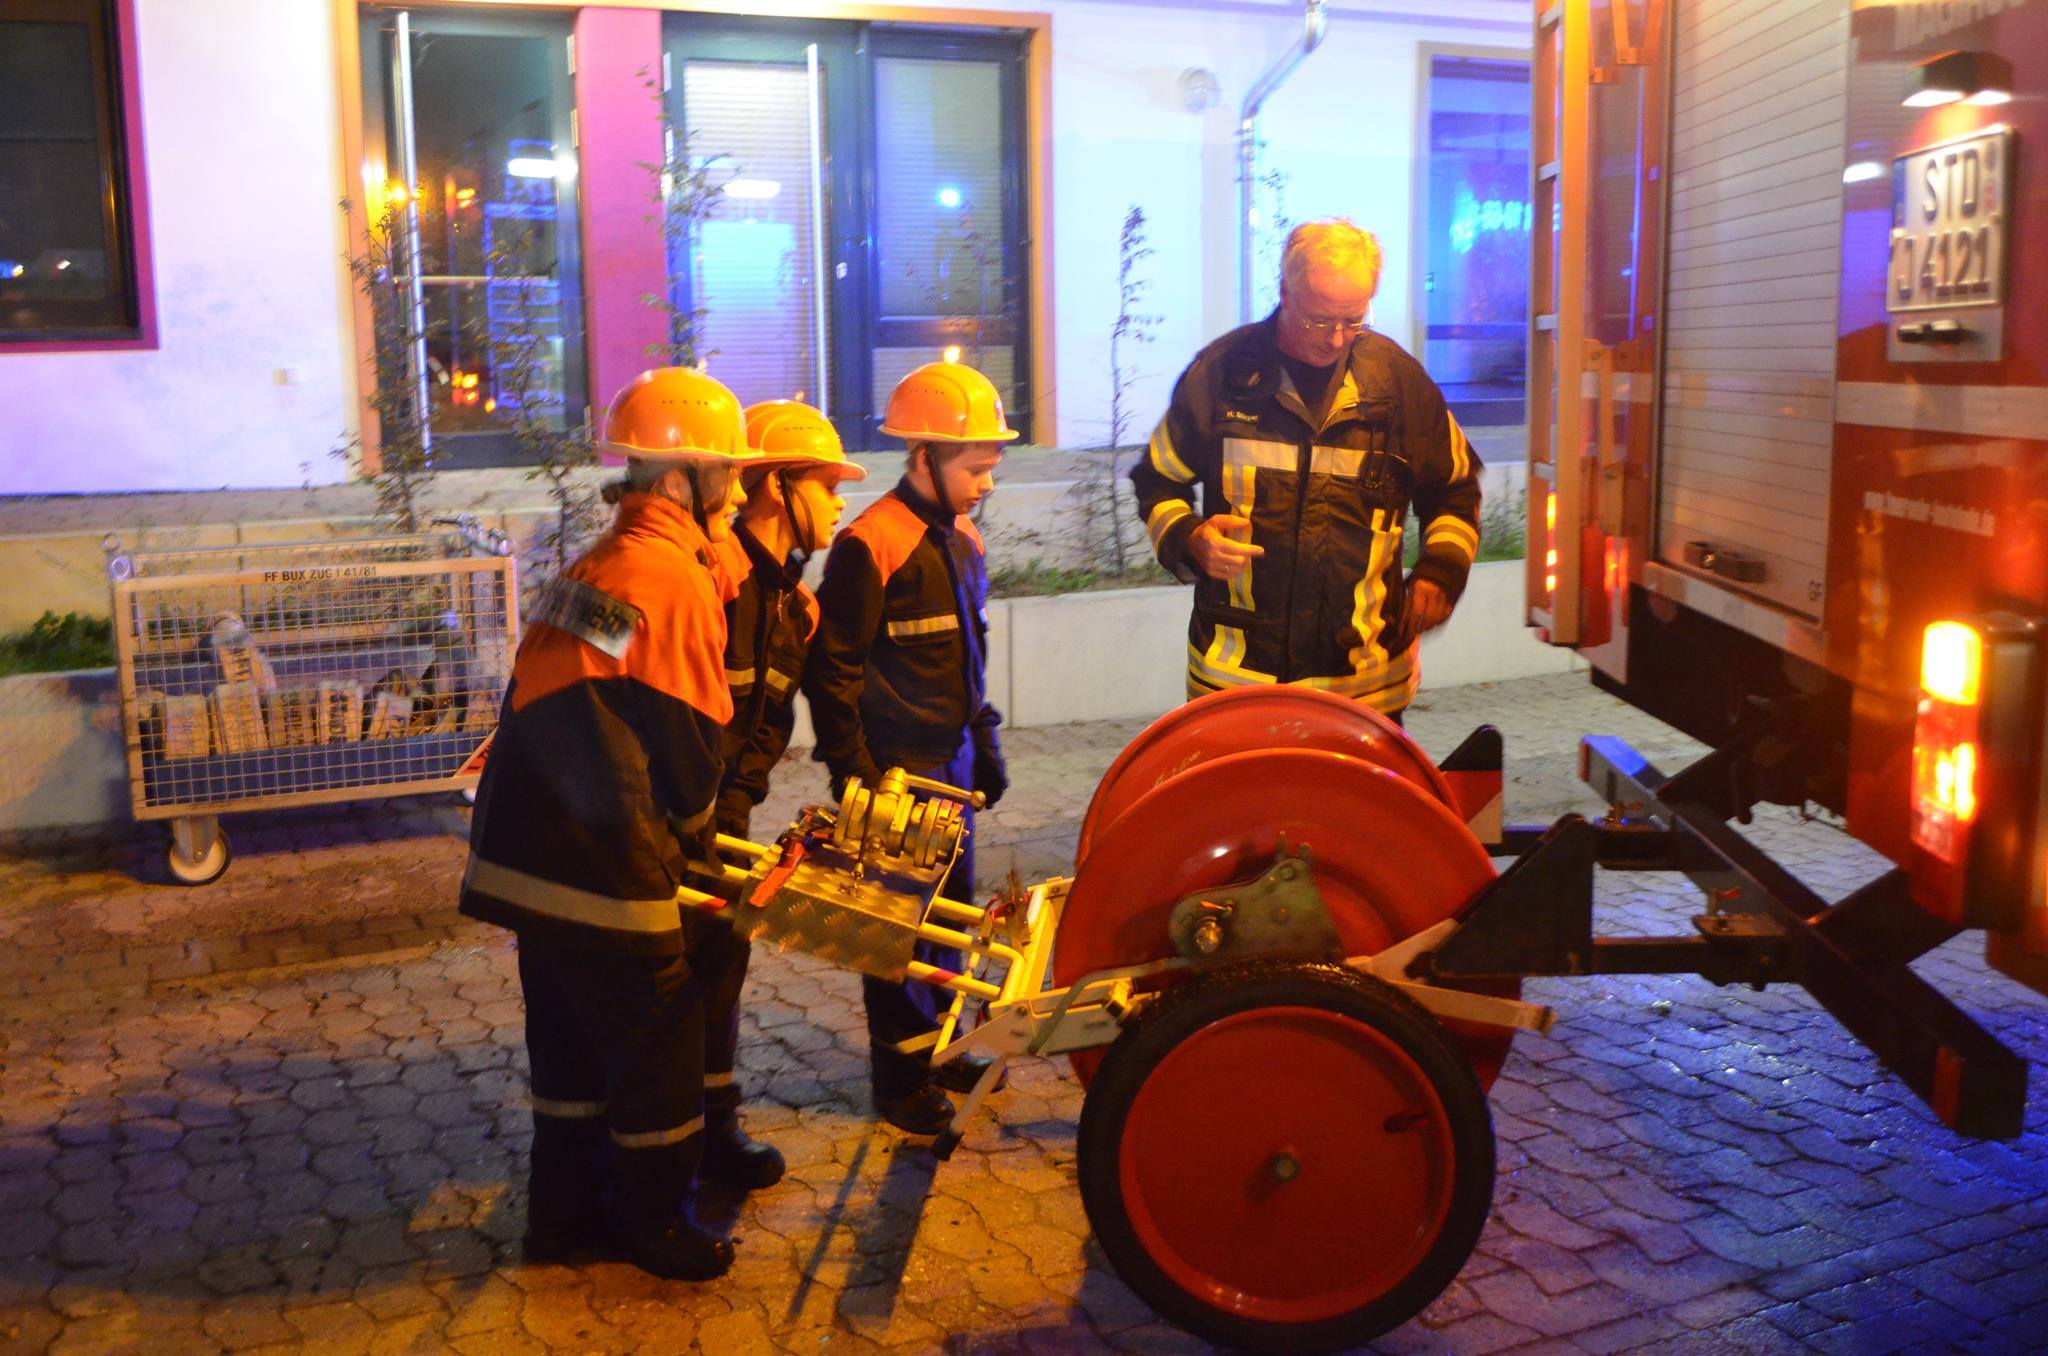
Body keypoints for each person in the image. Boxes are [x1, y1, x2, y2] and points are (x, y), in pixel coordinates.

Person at [458, 366, 755, 1282]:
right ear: (683, 482)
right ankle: (655, 1223)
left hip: (522, 854)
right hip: (602, 862)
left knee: (568, 1047)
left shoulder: (591, 565)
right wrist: (697, 847)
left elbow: (556, 691)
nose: (739, 491)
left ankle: (562, 1221)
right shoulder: (672, 581)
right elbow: (690, 749)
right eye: (729, 474)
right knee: (658, 1036)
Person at [1130, 218, 1483, 721]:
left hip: (1367, 687)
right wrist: (1190, 537)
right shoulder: (1221, 374)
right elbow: (1157, 479)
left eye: (1354, 319)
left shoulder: (1400, 383)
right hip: (1237, 683)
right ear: (1284, 294)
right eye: (1319, 321)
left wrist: (1440, 572)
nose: (1336, 339)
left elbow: (1455, 490)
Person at [801, 361, 1013, 1135]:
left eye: (991, 467)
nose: (985, 483)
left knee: (948, 919)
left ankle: (941, 1050)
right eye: (974, 468)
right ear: (923, 457)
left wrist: (983, 740)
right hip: (894, 769)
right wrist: (854, 772)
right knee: (894, 931)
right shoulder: (870, 544)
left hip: (950, 763)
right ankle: (899, 1082)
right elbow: (833, 670)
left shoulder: (963, 539)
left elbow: (968, 657)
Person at [698, 399, 867, 1176]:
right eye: (826, 485)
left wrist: (734, 810)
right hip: (669, 819)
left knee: (719, 964)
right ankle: (679, 1143)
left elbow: (764, 725)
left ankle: (713, 1127)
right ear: (775, 487)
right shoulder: (714, 580)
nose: (839, 503)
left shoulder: (793, 605)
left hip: (718, 817)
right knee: (677, 980)